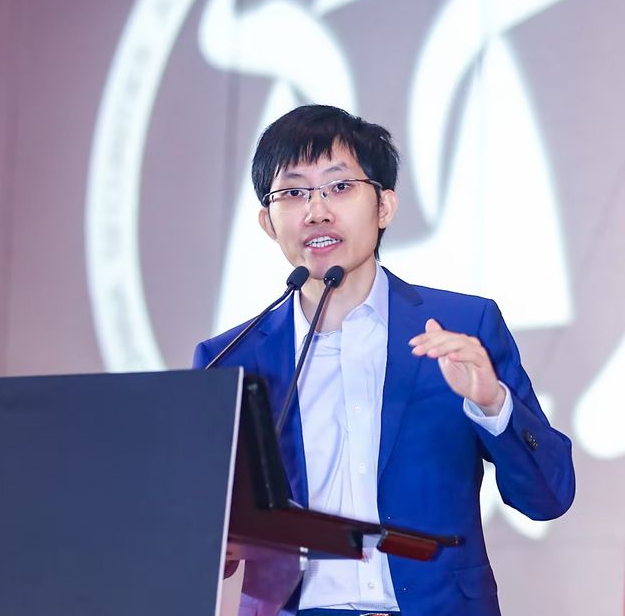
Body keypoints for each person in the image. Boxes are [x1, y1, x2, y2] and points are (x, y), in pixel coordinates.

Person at [193, 105, 575, 616]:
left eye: (339, 186)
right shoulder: (229, 359)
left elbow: (547, 498)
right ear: (268, 222)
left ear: (384, 207)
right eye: (293, 192)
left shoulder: (462, 326)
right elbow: (203, 542)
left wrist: (492, 404)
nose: (317, 210)